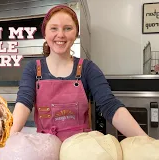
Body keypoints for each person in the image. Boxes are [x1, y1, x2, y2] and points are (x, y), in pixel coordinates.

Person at [10, 4, 148, 141]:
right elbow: (23, 103)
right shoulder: (33, 68)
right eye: (54, 28)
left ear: (75, 33)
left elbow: (109, 105)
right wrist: (8, 139)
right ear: (45, 33)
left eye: (68, 28)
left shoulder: (87, 68)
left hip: (81, 149)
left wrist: (144, 140)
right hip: (46, 149)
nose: (61, 35)